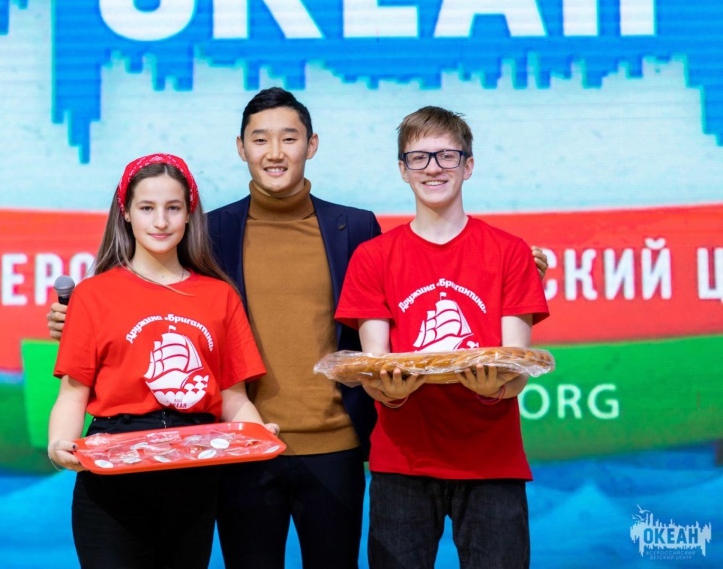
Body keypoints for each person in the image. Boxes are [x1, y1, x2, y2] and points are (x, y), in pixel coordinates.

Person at [47, 89, 548, 569]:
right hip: (242, 448)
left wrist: (513, 268)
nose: (275, 152)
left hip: (337, 447)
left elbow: (407, 290)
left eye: (289, 138)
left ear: (311, 144)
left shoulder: (356, 229)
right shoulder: (211, 231)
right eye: (260, 139)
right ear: (241, 147)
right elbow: (149, 300)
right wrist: (75, 320)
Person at [334, 106, 550, 569]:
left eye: (447, 156)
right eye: (419, 157)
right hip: (402, 462)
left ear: (468, 166)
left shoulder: (511, 253)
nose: (433, 168)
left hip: (492, 462)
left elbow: (516, 369)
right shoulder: (373, 257)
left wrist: (497, 388)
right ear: (403, 170)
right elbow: (376, 368)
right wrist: (389, 393)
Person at [47, 153, 277, 569]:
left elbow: (234, 398)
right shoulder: (92, 295)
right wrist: (58, 444)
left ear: (189, 214)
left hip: (194, 478)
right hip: (112, 476)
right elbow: (73, 392)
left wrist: (258, 436)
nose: (160, 221)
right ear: (126, 213)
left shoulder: (220, 296)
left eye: (173, 208)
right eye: (146, 208)